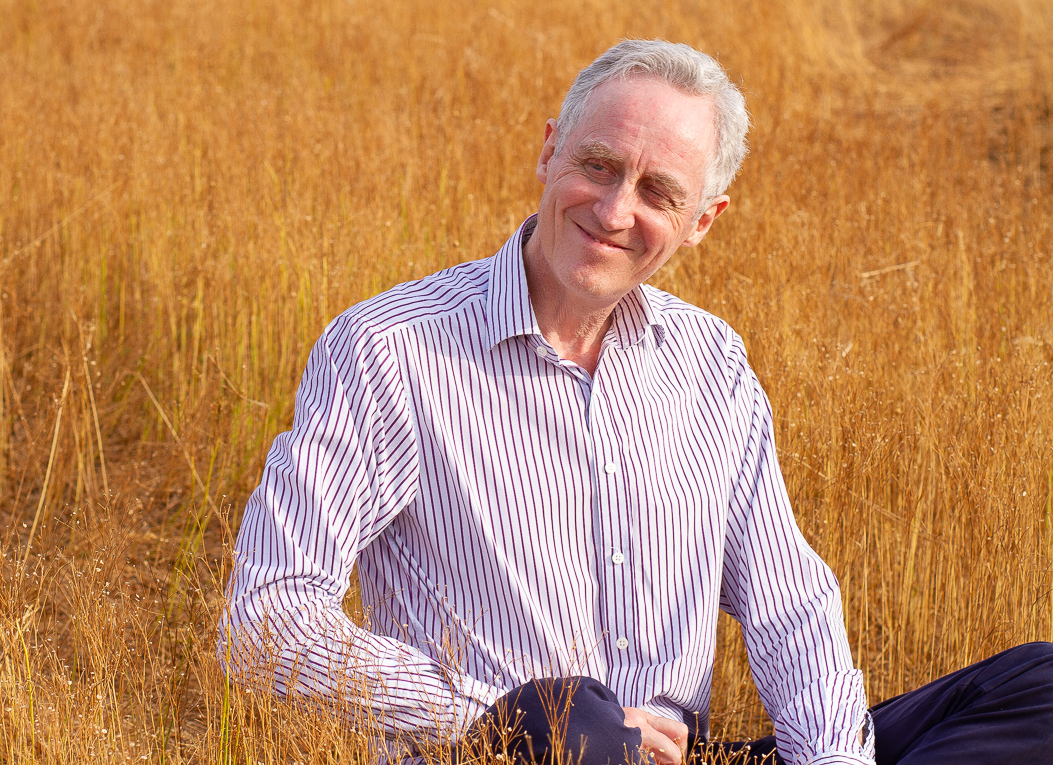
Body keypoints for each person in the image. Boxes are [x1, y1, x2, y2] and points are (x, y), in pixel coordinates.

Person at [219, 40, 1053, 765]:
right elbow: (267, 616)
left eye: (658, 192)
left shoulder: (710, 361)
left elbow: (787, 603)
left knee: (1041, 688)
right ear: (550, 151)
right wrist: (512, 726)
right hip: (495, 756)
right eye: (598, 165)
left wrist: (833, 758)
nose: (616, 211)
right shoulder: (388, 349)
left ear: (701, 221)